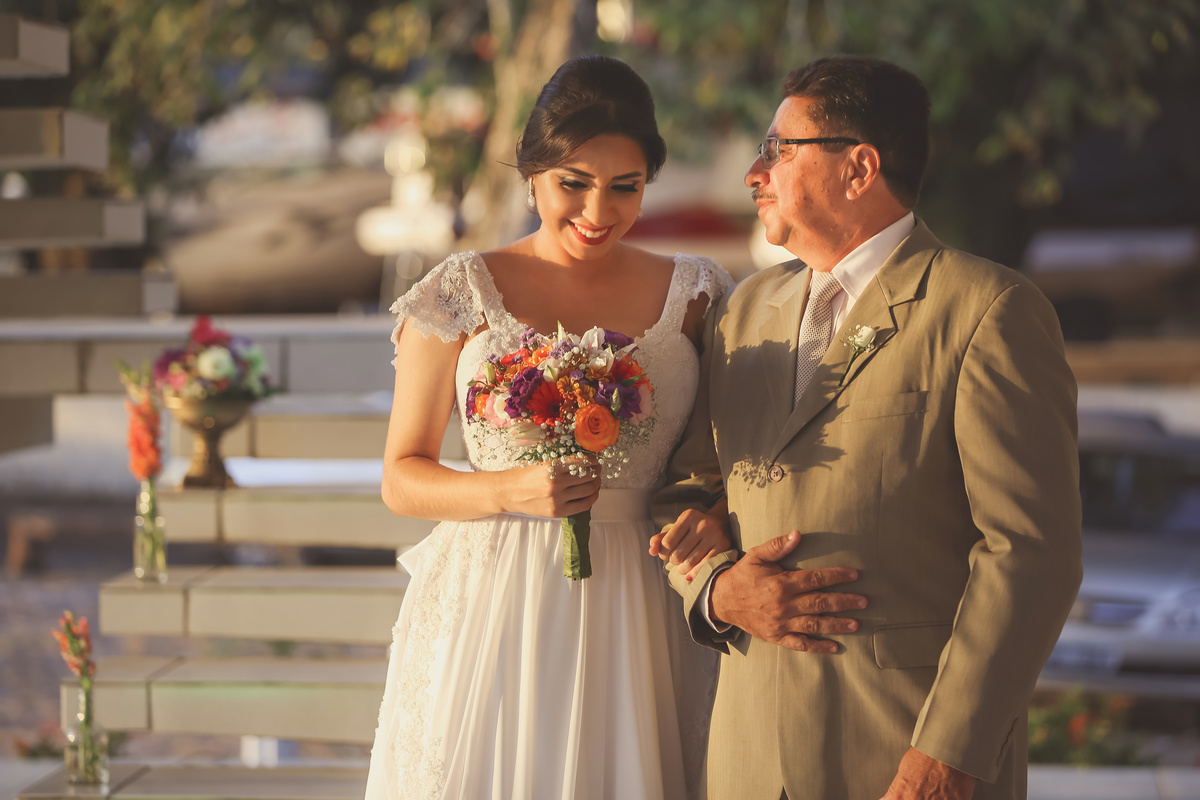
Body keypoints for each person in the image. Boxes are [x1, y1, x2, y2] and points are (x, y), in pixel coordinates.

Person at [653, 55, 1083, 800]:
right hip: (749, 761)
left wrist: (948, 757)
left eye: (777, 150)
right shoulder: (741, 311)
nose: (755, 174)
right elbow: (684, 496)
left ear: (859, 168)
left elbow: (1031, 556)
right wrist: (718, 591)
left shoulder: (986, 309)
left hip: (903, 759)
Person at [365, 54, 734, 800]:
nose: (598, 213)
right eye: (574, 184)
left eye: (625, 188)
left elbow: (734, 453)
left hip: (649, 592)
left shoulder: (696, 294)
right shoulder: (460, 291)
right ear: (532, 172)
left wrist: (716, 514)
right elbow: (401, 477)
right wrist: (507, 490)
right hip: (499, 596)